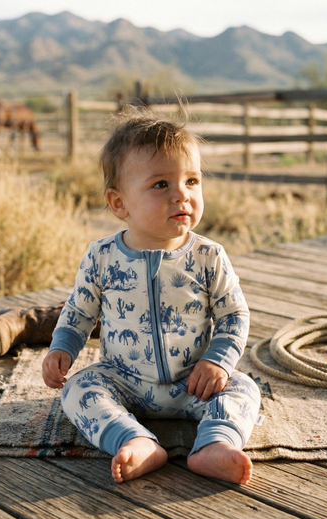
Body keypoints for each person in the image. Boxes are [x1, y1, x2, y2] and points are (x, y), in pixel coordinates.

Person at [42, 113, 261, 484]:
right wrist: (62, 347)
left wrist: (218, 362)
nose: (182, 194)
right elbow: (80, 310)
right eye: (161, 184)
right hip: (123, 380)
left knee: (244, 388)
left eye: (191, 180)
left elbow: (233, 316)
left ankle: (215, 445)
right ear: (119, 203)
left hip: (195, 382)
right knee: (79, 390)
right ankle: (135, 440)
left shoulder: (208, 256)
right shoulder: (101, 256)